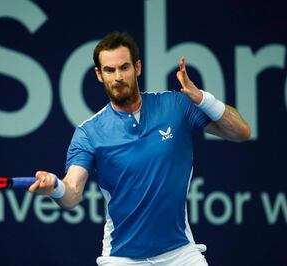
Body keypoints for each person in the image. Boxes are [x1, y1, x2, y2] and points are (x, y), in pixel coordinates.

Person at [29, 32, 251, 265]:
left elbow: (241, 132)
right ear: (99, 75)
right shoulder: (89, 133)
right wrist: (55, 187)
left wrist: (202, 98)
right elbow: (72, 192)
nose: (118, 77)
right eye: (109, 70)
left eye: (124, 67)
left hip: (180, 253)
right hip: (122, 258)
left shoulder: (176, 105)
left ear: (137, 68)